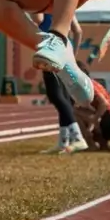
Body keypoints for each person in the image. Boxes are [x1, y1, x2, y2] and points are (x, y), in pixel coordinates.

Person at [33, 12, 88, 153]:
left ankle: (77, 137)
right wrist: (73, 56)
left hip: (51, 54)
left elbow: (37, 20)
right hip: (64, 55)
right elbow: (78, 31)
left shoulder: (43, 8)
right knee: (62, 97)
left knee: (55, 96)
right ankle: (64, 141)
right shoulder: (66, 9)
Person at [73, 62, 110, 150]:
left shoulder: (87, 85)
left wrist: (94, 120)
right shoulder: (92, 83)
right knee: (79, 111)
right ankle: (102, 144)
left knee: (73, 113)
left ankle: (90, 143)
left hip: (109, 123)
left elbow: (104, 104)